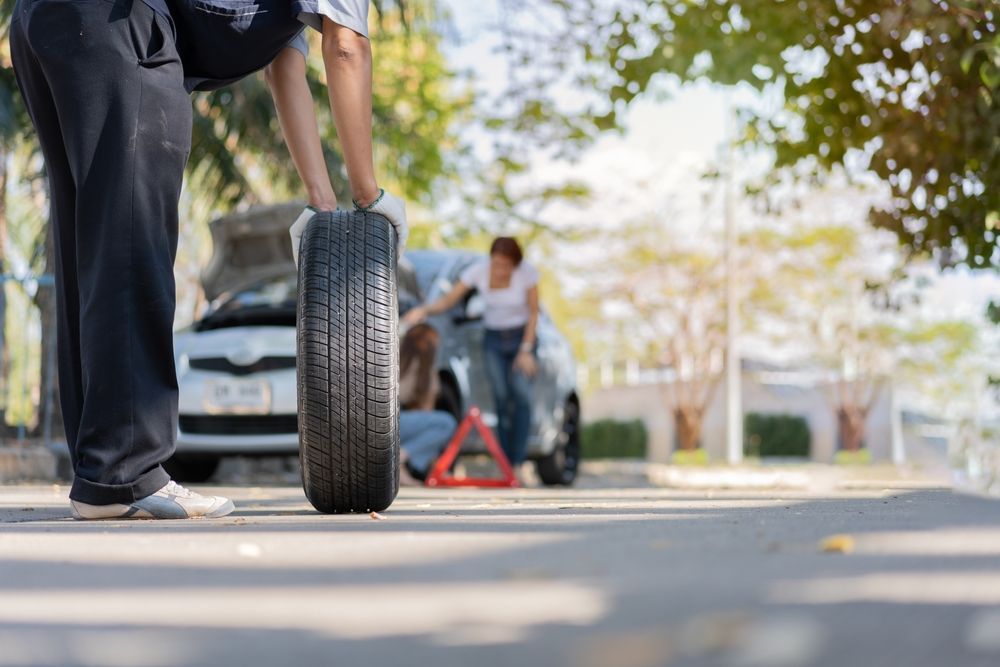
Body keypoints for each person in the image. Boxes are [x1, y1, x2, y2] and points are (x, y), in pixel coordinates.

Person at [9, 0, 405, 520]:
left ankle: (103, 476)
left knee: (94, 245)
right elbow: (347, 48)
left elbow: (285, 67)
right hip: (122, 25)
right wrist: (369, 195)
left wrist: (323, 203)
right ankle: (124, 477)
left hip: (44, 21)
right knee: (133, 242)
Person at [402, 237, 540, 471]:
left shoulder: (526, 274)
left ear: (515, 264)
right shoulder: (478, 271)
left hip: (521, 338)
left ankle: (518, 462)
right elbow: (448, 301)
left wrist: (526, 349)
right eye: (496, 264)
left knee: (521, 396)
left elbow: (534, 312)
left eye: (505, 265)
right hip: (493, 339)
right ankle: (506, 465)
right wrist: (424, 309)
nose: (499, 270)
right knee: (500, 397)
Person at [398, 324, 457, 485]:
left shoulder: (394, 360)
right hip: (396, 422)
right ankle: (399, 458)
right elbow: (427, 413)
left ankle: (402, 466)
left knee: (433, 428)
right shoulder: (426, 369)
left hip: (379, 422)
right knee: (446, 423)